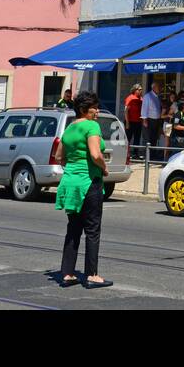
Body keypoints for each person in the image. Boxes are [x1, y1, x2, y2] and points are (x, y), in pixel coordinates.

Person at [55, 90, 112, 289]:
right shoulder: (92, 126)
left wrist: (72, 166)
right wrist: (104, 168)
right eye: (94, 108)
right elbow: (96, 154)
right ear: (84, 109)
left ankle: (68, 273)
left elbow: (59, 156)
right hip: (89, 182)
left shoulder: (70, 127)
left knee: (73, 228)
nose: (97, 111)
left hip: (70, 182)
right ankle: (92, 275)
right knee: (92, 230)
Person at [141, 81, 162, 154]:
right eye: (158, 87)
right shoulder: (148, 96)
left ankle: (152, 154)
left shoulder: (157, 97)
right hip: (149, 120)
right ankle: (146, 155)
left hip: (156, 120)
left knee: (154, 138)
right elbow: (144, 108)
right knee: (147, 138)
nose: (160, 88)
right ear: (153, 88)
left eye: (160, 87)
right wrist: (144, 120)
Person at [123, 84, 143, 158]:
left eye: (141, 90)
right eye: (139, 89)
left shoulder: (141, 98)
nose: (141, 91)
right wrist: (127, 122)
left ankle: (135, 153)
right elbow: (125, 110)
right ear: (135, 90)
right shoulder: (130, 98)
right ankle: (126, 153)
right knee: (128, 138)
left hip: (138, 121)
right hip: (130, 121)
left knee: (137, 138)